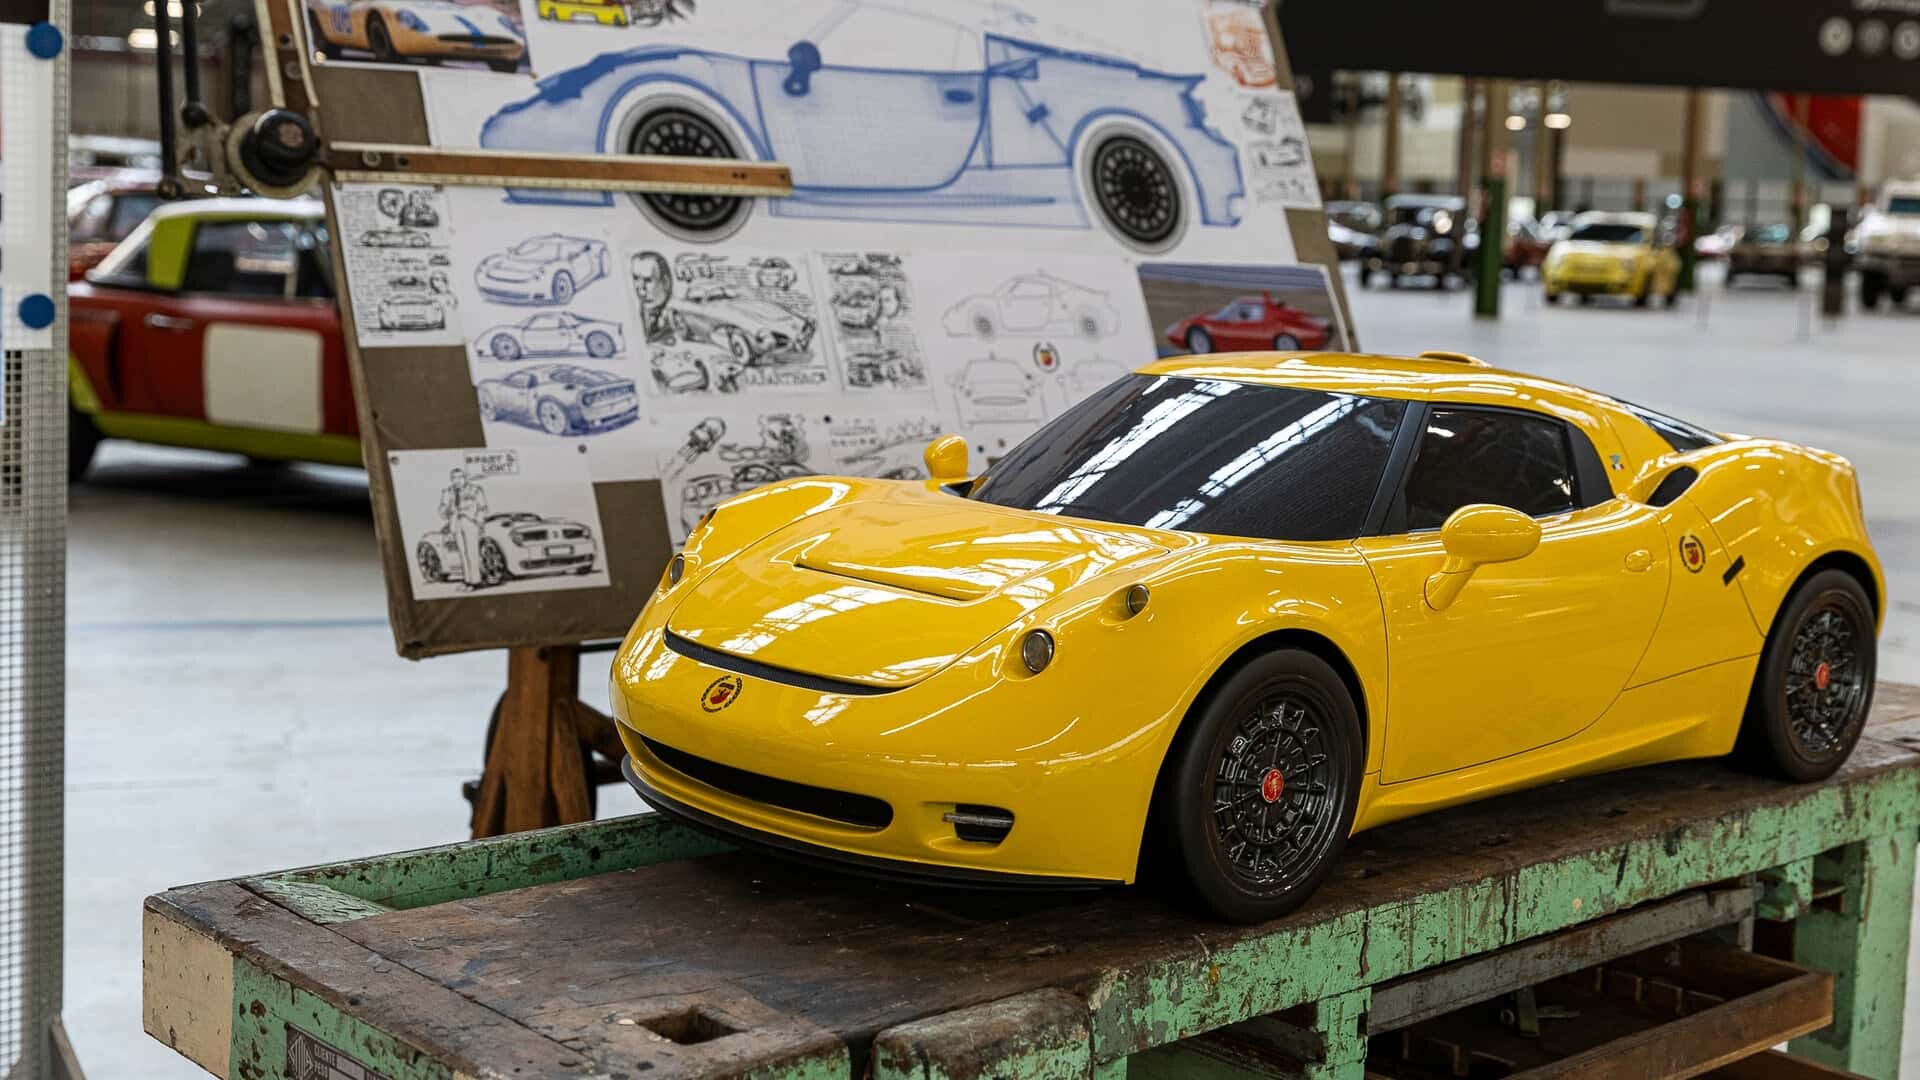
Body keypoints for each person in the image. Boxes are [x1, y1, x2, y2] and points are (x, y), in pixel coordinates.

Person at [438, 467, 489, 587]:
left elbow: (483, 508)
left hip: (470, 522)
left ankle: (475, 581)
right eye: (454, 478)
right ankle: (467, 581)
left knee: (472, 553)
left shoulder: (475, 489)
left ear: (465, 478)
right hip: (455, 524)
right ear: (451, 479)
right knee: (463, 553)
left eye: (460, 477)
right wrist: (446, 510)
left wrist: (477, 522)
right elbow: (442, 510)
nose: (457, 480)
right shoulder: (447, 492)